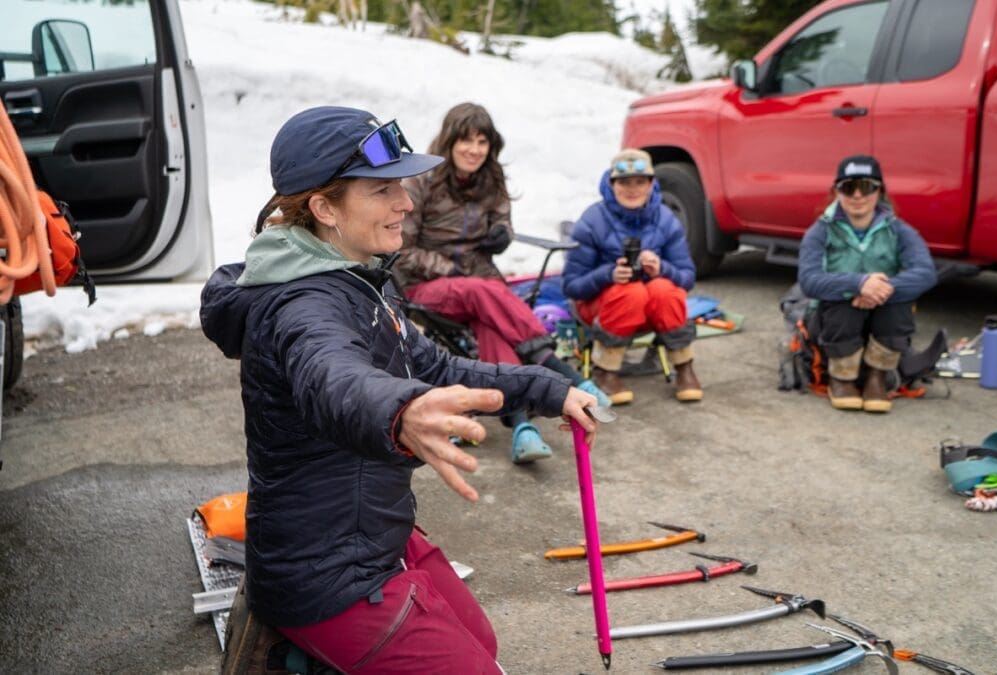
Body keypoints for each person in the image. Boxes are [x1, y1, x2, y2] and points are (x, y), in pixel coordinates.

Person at [200, 106, 598, 674]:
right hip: (325, 574)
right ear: (324, 208)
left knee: (481, 639)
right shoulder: (305, 303)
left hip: (365, 534)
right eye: (382, 190)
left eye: (402, 187)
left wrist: (548, 388)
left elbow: (437, 368)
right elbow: (332, 376)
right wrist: (401, 410)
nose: (406, 204)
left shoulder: (353, 278)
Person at [396, 101, 609, 464]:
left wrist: (501, 234)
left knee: (490, 320)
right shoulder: (420, 181)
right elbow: (400, 249)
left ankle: (522, 425)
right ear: (448, 141)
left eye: (482, 142)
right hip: (425, 286)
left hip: (480, 286)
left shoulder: (491, 179)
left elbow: (503, 224)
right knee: (485, 291)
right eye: (466, 140)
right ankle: (556, 368)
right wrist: (448, 268)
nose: (474, 150)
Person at [797, 154, 937, 413]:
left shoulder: (899, 230)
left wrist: (881, 290)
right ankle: (842, 378)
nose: (858, 195)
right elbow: (809, 280)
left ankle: (877, 377)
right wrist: (858, 283)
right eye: (849, 187)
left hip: (881, 316)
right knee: (843, 302)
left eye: (867, 187)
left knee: (899, 303)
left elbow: (926, 273)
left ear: (880, 191)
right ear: (837, 191)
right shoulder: (820, 231)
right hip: (832, 321)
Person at [562, 148, 701, 405]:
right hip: (601, 308)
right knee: (631, 291)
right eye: (624, 182)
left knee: (665, 289)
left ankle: (684, 366)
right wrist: (609, 274)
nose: (632, 189)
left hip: (650, 309)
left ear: (651, 184)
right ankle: (606, 370)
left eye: (640, 182)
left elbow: (687, 278)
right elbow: (571, 286)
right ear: (611, 183)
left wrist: (662, 269)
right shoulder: (593, 220)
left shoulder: (666, 219)